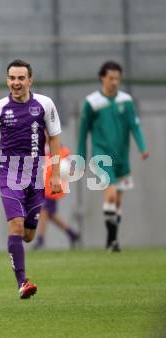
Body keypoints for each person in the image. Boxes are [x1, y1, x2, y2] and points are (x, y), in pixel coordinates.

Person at [0, 59, 62, 299]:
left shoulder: (45, 104)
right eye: (12, 78)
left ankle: (19, 258)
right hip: (9, 174)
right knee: (16, 225)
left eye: (21, 78)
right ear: (7, 80)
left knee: (28, 235)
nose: (16, 82)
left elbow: (54, 138)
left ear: (30, 80)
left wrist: (55, 174)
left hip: (36, 175)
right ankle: (22, 283)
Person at [78, 61, 149, 252]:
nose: (115, 82)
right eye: (111, 78)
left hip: (122, 157)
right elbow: (83, 132)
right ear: (102, 78)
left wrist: (143, 147)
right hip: (101, 156)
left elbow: (135, 125)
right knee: (109, 195)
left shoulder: (125, 101)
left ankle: (113, 240)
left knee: (117, 201)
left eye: (117, 78)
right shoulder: (92, 103)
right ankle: (111, 238)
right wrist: (81, 158)